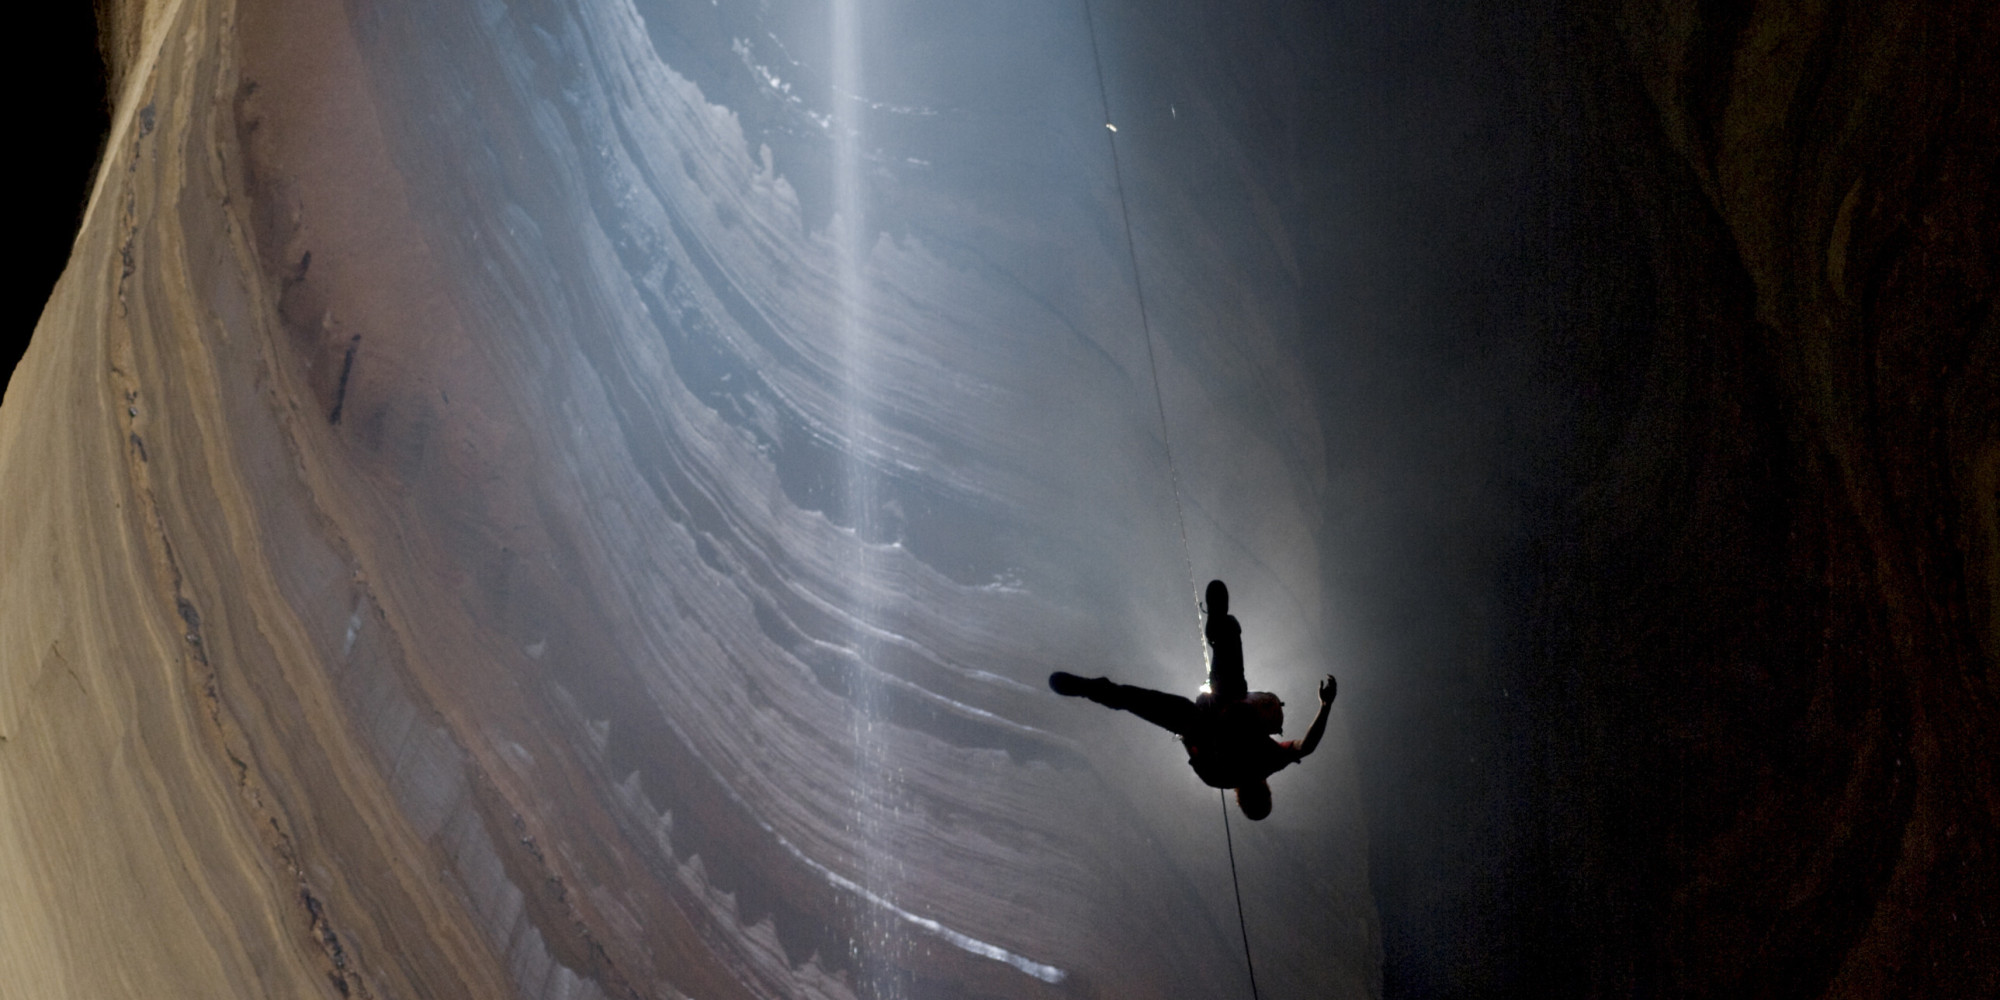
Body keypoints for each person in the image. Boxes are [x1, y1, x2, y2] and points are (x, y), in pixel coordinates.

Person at [1049, 579, 1336, 820]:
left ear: (1266, 791)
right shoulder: (1219, 779)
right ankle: (1091, 689)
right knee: (1133, 700)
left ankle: (1219, 627)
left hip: (1225, 700)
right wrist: (1189, 729)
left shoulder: (1271, 762)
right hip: (1197, 720)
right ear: (1240, 800)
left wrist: (1325, 706)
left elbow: (1307, 746)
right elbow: (1193, 746)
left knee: (1229, 638)